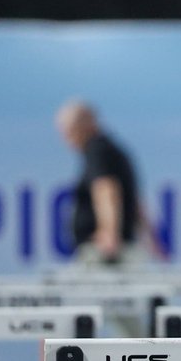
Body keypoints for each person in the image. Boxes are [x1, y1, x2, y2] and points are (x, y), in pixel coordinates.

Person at [55, 99, 157, 265]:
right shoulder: (111, 149)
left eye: (67, 130)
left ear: (83, 125)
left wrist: (109, 233)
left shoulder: (97, 150)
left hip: (106, 253)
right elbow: (135, 201)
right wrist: (152, 238)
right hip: (120, 248)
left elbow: (106, 190)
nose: (64, 137)